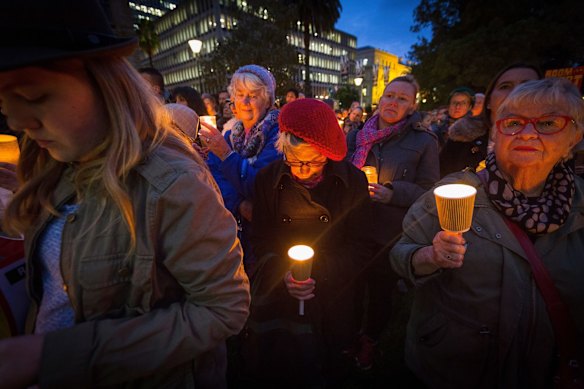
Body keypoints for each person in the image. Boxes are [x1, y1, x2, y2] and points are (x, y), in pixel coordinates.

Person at [0, 0, 250, 387]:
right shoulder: (51, 161)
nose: (17, 120)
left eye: (34, 96)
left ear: (104, 84)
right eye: (4, 102)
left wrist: (55, 355)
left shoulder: (172, 182)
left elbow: (224, 308)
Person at [390, 78, 584, 388]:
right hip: (456, 369)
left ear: (575, 135)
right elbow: (400, 254)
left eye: (548, 122)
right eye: (514, 122)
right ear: (496, 131)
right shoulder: (456, 190)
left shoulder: (580, 205)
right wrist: (430, 256)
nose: (528, 133)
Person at [243, 98, 371, 386]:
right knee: (290, 362)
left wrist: (318, 270)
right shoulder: (267, 180)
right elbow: (261, 239)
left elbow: (362, 247)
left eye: (312, 161)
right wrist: (284, 273)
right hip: (284, 292)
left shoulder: (352, 182)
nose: (301, 170)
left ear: (327, 154)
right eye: (293, 160)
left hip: (335, 290)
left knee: (332, 361)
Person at [346, 74, 440, 370]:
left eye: (402, 98)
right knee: (348, 287)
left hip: (389, 231)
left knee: (380, 292)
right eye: (389, 95)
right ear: (380, 99)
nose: (393, 102)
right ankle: (346, 337)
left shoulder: (424, 141)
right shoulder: (357, 135)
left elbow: (429, 190)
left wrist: (394, 193)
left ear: (412, 107)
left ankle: (369, 341)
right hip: (353, 226)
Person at [198, 65, 281, 274]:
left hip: (266, 237)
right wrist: (240, 203)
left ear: (267, 100)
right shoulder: (230, 135)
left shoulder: (278, 135)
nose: (244, 102)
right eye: (240, 95)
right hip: (236, 233)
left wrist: (226, 156)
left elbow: (259, 185)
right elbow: (214, 179)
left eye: (253, 96)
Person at [439, 63, 542, 178]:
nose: (516, 92)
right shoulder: (461, 138)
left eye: (528, 86)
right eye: (505, 86)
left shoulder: (556, 144)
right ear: (488, 102)